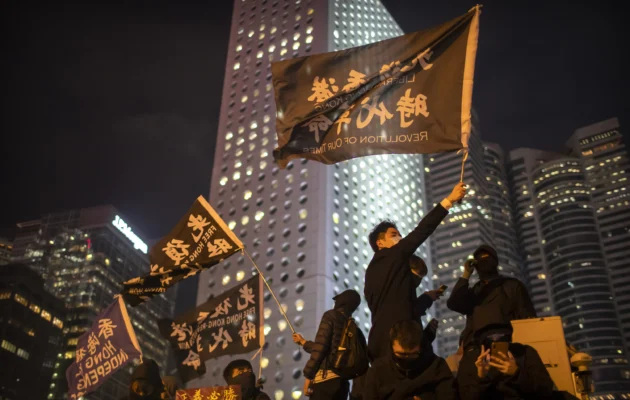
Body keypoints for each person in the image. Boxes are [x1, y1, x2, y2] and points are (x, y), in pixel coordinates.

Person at [364, 182, 467, 362]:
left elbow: (400, 305)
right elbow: (422, 230)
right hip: (401, 342)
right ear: (380, 243)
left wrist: (427, 297)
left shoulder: (374, 271)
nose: (400, 238)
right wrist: (449, 200)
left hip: (379, 344)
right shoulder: (394, 255)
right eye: (394, 234)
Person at [446, 244, 537, 350]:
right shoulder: (474, 292)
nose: (484, 261)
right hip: (477, 349)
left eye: (487, 257)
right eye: (480, 259)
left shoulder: (511, 285)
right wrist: (466, 274)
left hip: (508, 344)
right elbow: (454, 303)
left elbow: (527, 318)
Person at [292, 289, 363, 400]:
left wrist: (308, 376)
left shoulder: (331, 316)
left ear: (342, 302)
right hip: (343, 385)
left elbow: (320, 349)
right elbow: (329, 349)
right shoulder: (354, 328)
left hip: (324, 382)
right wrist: (304, 342)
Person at [457, 323, 555, 400]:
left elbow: (545, 390)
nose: (495, 341)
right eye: (490, 338)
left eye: (501, 335)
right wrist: (482, 377)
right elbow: (467, 397)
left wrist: (516, 373)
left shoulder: (524, 352)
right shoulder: (470, 359)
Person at [363, 320, 455, 400]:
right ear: (391, 347)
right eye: (401, 354)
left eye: (412, 355)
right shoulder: (378, 370)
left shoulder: (436, 367)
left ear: (421, 348)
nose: (406, 359)